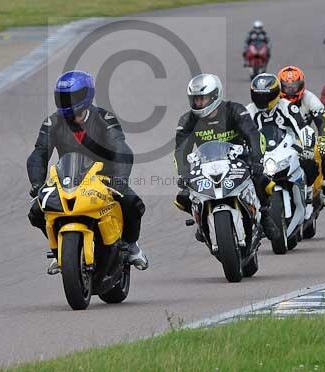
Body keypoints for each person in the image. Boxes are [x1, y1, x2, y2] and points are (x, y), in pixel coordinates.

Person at [26, 70, 148, 274]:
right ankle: (61, 250)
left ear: (85, 95)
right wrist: (37, 184)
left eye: (71, 97)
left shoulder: (104, 118)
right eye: (63, 97)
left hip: (104, 178)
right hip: (67, 177)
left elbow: (120, 148)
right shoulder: (53, 122)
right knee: (36, 212)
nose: (66, 102)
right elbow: (39, 153)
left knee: (132, 203)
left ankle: (131, 246)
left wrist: (120, 178)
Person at [173, 73, 277, 240]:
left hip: (239, 160)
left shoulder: (234, 110)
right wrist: (183, 173)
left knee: (264, 182)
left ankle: (264, 216)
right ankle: (200, 220)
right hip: (205, 164)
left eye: (202, 99)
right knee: (183, 197)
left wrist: (257, 160)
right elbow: (180, 150)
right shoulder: (187, 119)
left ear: (215, 95)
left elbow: (253, 135)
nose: (198, 103)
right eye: (195, 99)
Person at [272, 68, 325, 206]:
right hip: (280, 141)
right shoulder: (274, 100)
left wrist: (323, 140)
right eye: (287, 87)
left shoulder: (310, 99)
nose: (290, 91)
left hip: (306, 140)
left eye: (294, 87)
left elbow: (323, 121)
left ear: (301, 86)